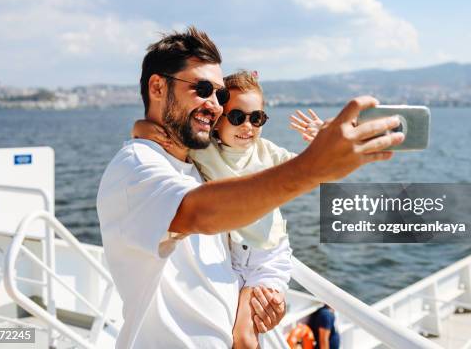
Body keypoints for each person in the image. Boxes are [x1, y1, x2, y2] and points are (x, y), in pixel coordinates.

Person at [96, 26, 404, 348]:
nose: (215, 105)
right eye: (202, 89)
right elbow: (199, 211)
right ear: (157, 87)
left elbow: (234, 240)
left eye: (220, 95)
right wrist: (313, 166)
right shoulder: (134, 168)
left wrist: (258, 298)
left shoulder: (196, 168)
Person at [132, 70, 324, 348]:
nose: (248, 126)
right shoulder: (204, 150)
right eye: (237, 117)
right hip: (229, 260)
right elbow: (143, 128)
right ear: (219, 119)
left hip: (267, 258)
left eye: (257, 118)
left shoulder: (267, 153)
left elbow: (314, 172)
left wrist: (321, 142)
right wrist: (144, 132)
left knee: (244, 337)